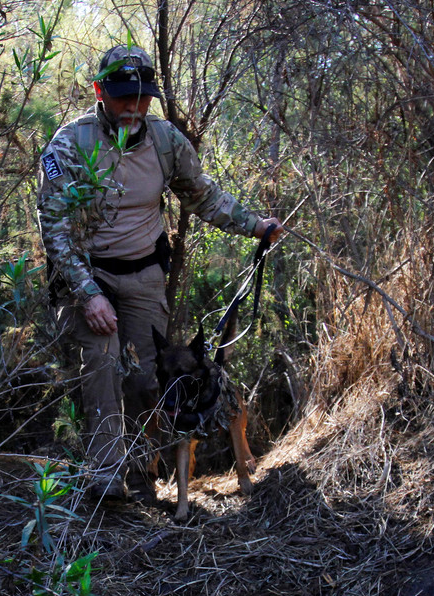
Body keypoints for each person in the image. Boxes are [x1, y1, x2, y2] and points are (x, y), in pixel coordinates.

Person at [36, 44, 281, 502]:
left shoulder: (164, 140)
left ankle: (144, 478)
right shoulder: (70, 144)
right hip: (87, 276)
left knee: (149, 378)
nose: (134, 107)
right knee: (105, 363)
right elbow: (54, 227)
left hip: (145, 272)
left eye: (142, 97)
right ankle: (107, 482)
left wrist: (256, 226)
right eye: (123, 96)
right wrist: (88, 294)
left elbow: (203, 195)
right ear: (99, 92)